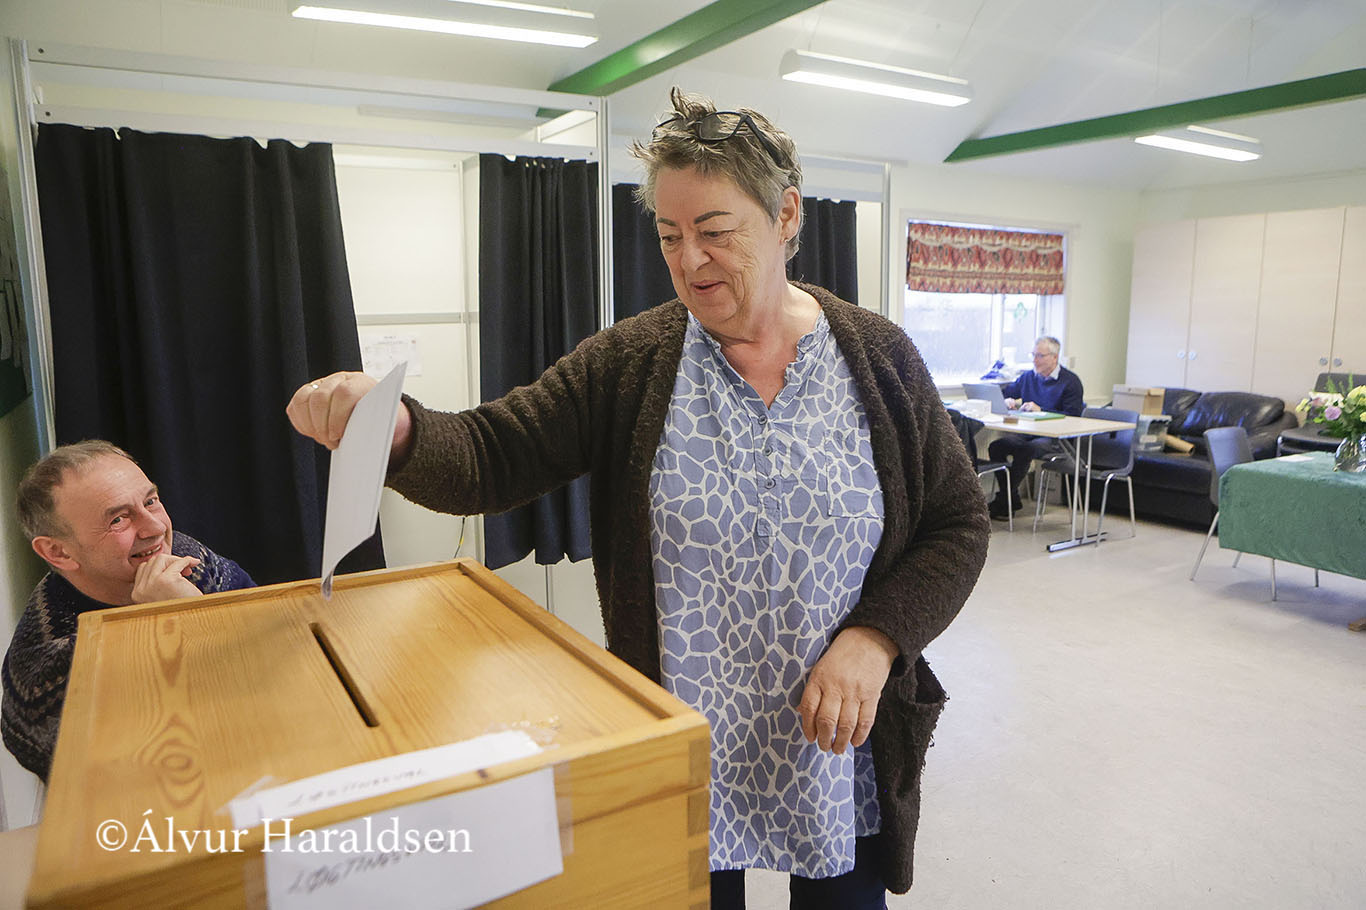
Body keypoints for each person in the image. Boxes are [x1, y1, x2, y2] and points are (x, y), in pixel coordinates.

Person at [287, 88, 989, 908]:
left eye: (716, 231)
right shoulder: (630, 363)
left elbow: (957, 523)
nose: (691, 261)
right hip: (682, 745)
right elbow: (492, 454)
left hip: (839, 745)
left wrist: (877, 639)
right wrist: (396, 427)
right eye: (669, 235)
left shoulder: (879, 358)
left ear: (786, 215)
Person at [1, 441, 254, 781]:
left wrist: (191, 613)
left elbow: (265, 644)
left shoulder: (178, 554)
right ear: (59, 552)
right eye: (118, 519)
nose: (156, 528)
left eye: (151, 501)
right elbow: (135, 767)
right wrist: (182, 616)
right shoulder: (49, 666)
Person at [985, 336, 1085, 519]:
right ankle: (1011, 497)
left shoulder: (1070, 382)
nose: (1035, 360)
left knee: (1026, 449)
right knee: (997, 447)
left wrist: (1042, 410)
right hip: (1029, 433)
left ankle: (1005, 500)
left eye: (1040, 356)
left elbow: (1073, 417)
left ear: (1054, 357)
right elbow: (1007, 393)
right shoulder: (1028, 377)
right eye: (1033, 355)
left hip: (1056, 439)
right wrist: (1007, 400)